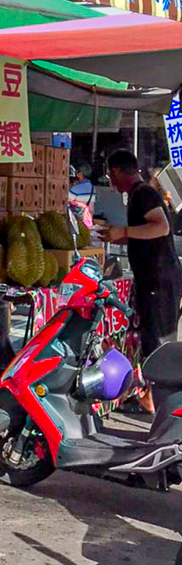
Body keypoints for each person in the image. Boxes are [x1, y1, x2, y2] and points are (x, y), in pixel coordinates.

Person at [103, 150, 182, 395]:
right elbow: (147, 236)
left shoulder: (144, 194)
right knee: (152, 339)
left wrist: (124, 232)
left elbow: (160, 227)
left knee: (159, 341)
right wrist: (119, 236)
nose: (110, 181)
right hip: (156, 279)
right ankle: (152, 396)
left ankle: (164, 400)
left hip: (159, 280)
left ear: (117, 171)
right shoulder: (139, 195)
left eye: (110, 175)